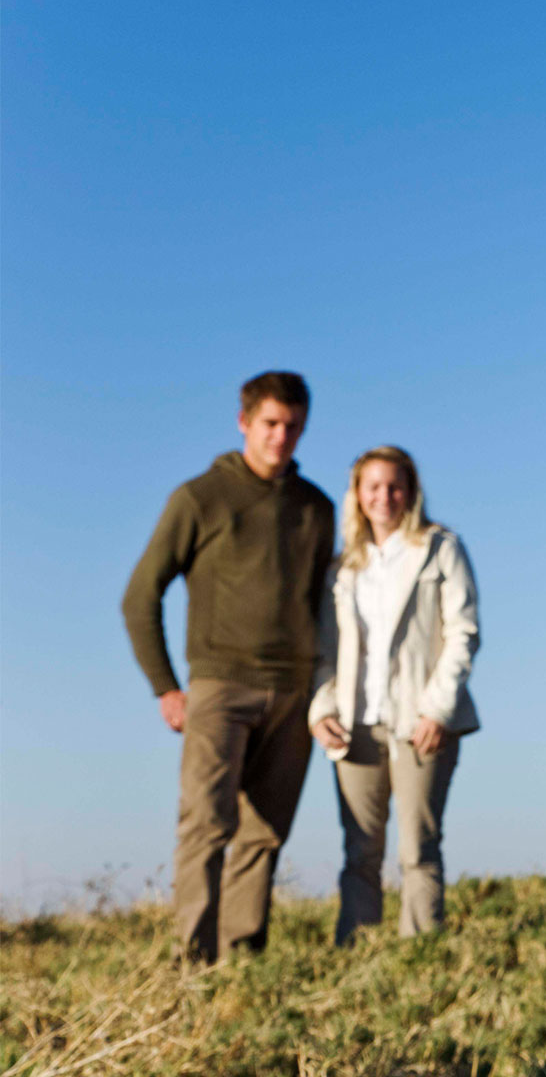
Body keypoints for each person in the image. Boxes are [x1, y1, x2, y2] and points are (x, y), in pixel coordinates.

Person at [122, 371, 335, 963]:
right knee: (206, 825)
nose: (281, 437)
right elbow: (140, 594)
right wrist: (165, 687)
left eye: (293, 426)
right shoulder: (199, 497)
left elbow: (323, 608)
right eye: (270, 424)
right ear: (244, 422)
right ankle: (190, 962)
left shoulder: (317, 507)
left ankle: (244, 959)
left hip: (292, 693)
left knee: (264, 831)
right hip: (219, 685)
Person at [308, 445, 480, 944]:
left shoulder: (441, 547)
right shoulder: (342, 568)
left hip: (424, 722)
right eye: (373, 486)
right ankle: (355, 952)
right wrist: (321, 710)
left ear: (411, 490)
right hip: (354, 724)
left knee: (417, 848)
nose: (384, 496)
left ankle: (420, 953)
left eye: (394, 485)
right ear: (358, 495)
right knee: (359, 851)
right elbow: (323, 651)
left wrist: (437, 709)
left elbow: (463, 632)